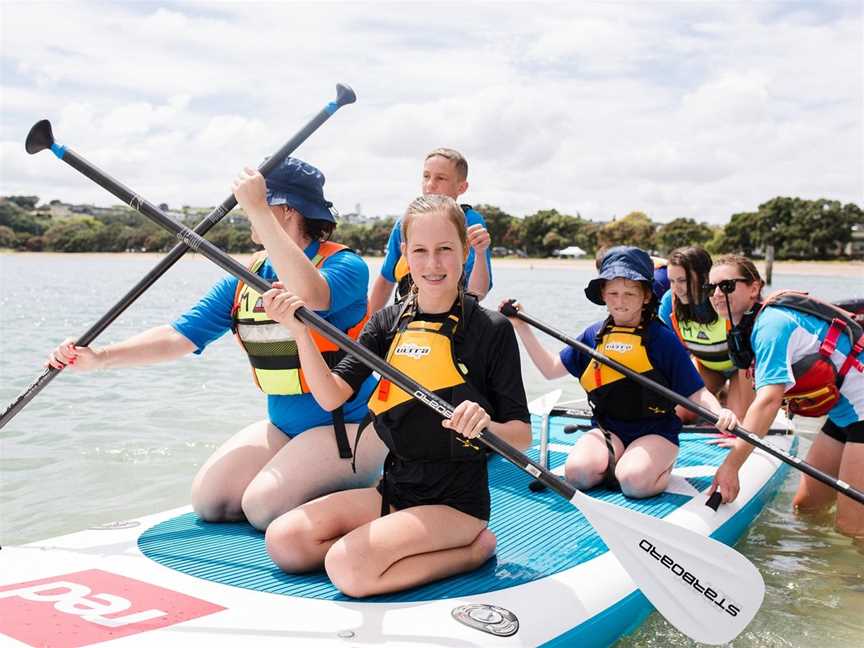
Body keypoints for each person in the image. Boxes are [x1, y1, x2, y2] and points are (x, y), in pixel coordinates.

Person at [48, 157, 386, 531]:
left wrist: (257, 208)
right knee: (212, 501)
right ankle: (303, 477)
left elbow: (311, 293)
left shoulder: (346, 266)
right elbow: (178, 336)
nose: (245, 215)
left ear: (286, 211)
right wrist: (102, 358)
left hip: (349, 429)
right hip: (285, 427)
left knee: (263, 507)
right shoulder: (247, 277)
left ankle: (376, 490)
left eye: (256, 205)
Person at [259, 194, 531, 597]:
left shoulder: (490, 329)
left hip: (455, 503)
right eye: (420, 251)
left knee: (347, 567)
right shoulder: (386, 323)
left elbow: (522, 435)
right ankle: (392, 542)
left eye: (445, 250)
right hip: (395, 490)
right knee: (285, 542)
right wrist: (301, 332)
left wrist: (486, 423)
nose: (433, 264)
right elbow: (332, 397)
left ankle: (472, 551)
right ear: (404, 253)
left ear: (464, 253)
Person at [502, 246, 737, 498]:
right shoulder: (593, 335)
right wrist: (521, 325)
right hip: (607, 428)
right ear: (602, 294)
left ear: (646, 296)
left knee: (634, 483)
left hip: (655, 431)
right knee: (577, 475)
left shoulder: (662, 339)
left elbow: (697, 392)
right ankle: (619, 459)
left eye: (629, 293)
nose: (620, 301)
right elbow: (550, 370)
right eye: (613, 292)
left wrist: (719, 412)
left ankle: (657, 465)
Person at [706, 254, 864, 537]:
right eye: (711, 288)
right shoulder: (748, 327)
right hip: (845, 414)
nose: (717, 294)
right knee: (807, 509)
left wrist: (732, 467)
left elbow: (768, 401)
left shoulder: (772, 325)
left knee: (852, 527)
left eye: (727, 286)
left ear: (754, 288)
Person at [368, 148, 493, 310]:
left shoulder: (471, 222)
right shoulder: (404, 223)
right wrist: (368, 323)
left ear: (461, 187)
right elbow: (386, 280)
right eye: (426, 176)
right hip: (408, 319)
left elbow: (477, 292)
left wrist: (481, 253)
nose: (430, 185)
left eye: (441, 178)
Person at [659, 246, 755, 421]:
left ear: (705, 277)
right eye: (671, 281)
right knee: (679, 414)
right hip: (706, 366)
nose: (676, 289)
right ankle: (721, 392)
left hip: (741, 368)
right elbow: (664, 354)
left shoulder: (726, 301)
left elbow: (749, 361)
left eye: (682, 280)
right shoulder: (669, 302)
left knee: (736, 419)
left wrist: (745, 412)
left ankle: (729, 394)